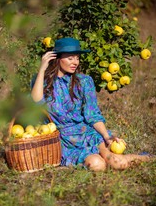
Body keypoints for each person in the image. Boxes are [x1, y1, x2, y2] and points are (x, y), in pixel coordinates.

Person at [31, 37, 151, 171]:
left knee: (117, 162)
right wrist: (42, 68)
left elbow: (92, 114)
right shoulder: (43, 81)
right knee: (97, 164)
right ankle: (97, 161)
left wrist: (107, 136)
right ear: (57, 58)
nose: (75, 62)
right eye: (70, 58)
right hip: (63, 141)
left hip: (86, 134)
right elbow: (36, 101)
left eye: (77, 58)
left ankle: (147, 158)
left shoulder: (84, 81)